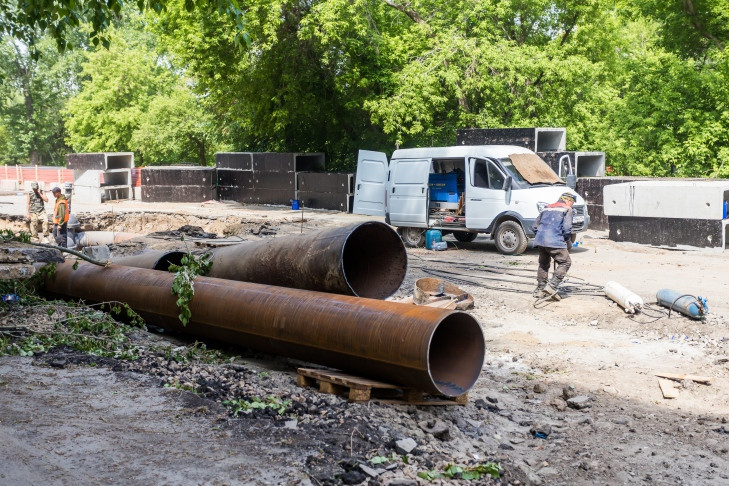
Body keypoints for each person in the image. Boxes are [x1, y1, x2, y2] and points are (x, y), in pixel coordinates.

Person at [532, 192, 575, 299]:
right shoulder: (567, 209)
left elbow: (534, 227)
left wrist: (542, 236)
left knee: (543, 264)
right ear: (569, 201)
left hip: (540, 240)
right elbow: (566, 229)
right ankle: (552, 286)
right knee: (565, 262)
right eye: (572, 203)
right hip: (555, 240)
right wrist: (565, 242)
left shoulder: (546, 208)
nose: (572, 206)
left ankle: (540, 289)